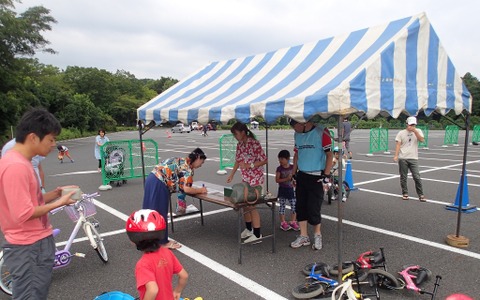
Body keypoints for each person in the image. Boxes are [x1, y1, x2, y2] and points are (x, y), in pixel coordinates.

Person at [0, 107, 76, 300]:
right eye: (51, 139)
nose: (54, 145)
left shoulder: (21, 162)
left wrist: (55, 194)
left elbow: (29, 201)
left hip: (33, 244)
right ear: (33, 138)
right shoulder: (16, 166)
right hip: (28, 247)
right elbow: (23, 213)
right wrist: (60, 202)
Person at [142, 148, 207, 249]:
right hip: (160, 183)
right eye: (201, 162)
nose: (200, 165)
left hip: (151, 178)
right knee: (159, 214)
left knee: (148, 211)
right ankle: (162, 242)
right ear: (197, 158)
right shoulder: (187, 168)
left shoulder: (180, 160)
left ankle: (144, 238)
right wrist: (201, 190)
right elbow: (186, 189)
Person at [289, 118, 333, 250]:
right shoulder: (297, 134)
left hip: (316, 176)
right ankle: (304, 236)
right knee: (300, 206)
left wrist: (326, 174)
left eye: (294, 126)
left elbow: (329, 155)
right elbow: (297, 154)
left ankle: (317, 235)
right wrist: (293, 172)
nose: (294, 129)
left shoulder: (322, 131)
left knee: (314, 208)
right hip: (302, 175)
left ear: (303, 123)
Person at [126, 209, 188, 300]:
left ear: (133, 240)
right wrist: (177, 291)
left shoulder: (143, 264)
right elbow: (184, 275)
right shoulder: (167, 252)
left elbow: (152, 290)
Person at [227, 122, 268, 244]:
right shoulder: (240, 145)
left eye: (236, 134)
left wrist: (250, 165)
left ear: (243, 132)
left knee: (252, 205)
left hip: (256, 179)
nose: (235, 136)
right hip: (245, 178)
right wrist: (232, 174)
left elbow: (264, 160)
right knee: (244, 204)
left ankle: (257, 234)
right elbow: (238, 161)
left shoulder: (254, 144)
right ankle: (249, 228)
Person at [393, 116, 426, 201]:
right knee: (403, 177)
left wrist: (415, 131)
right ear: (406, 124)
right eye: (410, 124)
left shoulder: (418, 131)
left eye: (413, 125)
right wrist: (396, 155)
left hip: (413, 157)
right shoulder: (401, 133)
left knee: (417, 176)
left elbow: (422, 140)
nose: (411, 126)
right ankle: (405, 193)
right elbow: (398, 144)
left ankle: (421, 194)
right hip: (403, 157)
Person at [275, 149, 299, 231]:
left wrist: (294, 182)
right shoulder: (279, 169)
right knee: (282, 206)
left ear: (288, 158)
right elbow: (277, 180)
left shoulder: (292, 167)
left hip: (291, 190)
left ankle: (293, 221)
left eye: (282, 159)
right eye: (279, 159)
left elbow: (294, 178)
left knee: (294, 206)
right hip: (282, 190)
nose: (280, 161)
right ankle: (283, 222)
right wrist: (286, 179)